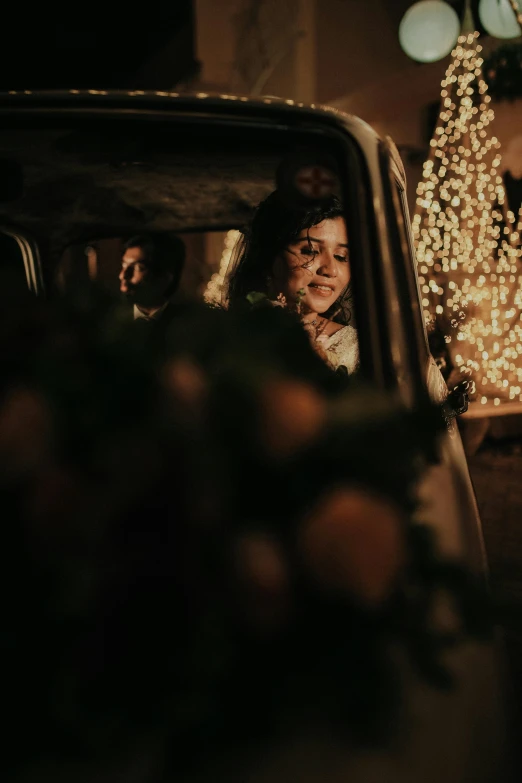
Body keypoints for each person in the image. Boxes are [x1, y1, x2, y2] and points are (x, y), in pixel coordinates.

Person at [225, 191, 359, 374]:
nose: (331, 270)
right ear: (268, 257)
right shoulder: (229, 337)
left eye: (341, 256)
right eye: (310, 251)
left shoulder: (358, 350)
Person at [119, 232, 185, 353]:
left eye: (138, 267)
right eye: (123, 265)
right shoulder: (110, 323)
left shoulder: (189, 328)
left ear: (165, 276)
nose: (123, 275)